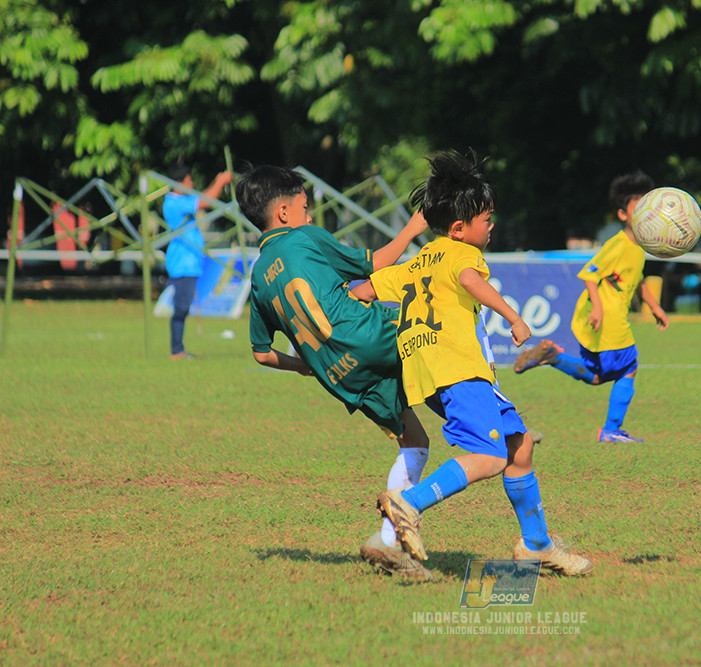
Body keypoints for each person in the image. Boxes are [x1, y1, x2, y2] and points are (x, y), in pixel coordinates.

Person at [351, 151, 593, 576]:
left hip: (434, 374)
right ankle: (409, 503)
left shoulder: (414, 265)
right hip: (459, 371)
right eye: (486, 219)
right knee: (490, 455)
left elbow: (361, 292)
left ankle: (536, 544)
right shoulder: (460, 255)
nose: (492, 225)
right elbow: (469, 280)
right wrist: (514, 316)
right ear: (459, 229)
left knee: (519, 449)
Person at [235, 165, 434, 580]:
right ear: (286, 213)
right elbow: (376, 262)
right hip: (369, 335)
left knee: (414, 441)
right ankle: (496, 424)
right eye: (306, 208)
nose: (310, 217)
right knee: (442, 325)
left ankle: (387, 540)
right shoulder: (303, 237)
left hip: (340, 375)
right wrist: (414, 226)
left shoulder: (257, 277)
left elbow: (260, 353)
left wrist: (306, 367)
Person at [511, 171, 670, 443]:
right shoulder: (618, 245)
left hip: (598, 320)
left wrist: (654, 305)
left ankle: (554, 357)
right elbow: (589, 274)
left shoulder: (638, 246)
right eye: (638, 207)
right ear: (622, 214)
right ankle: (611, 430)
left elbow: (637, 278)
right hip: (607, 319)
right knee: (628, 367)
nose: (646, 213)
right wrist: (597, 308)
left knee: (596, 376)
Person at [162, 164, 233, 359]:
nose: (191, 183)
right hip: (182, 265)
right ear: (179, 183)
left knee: (183, 308)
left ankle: (178, 349)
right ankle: (176, 350)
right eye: (189, 180)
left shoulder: (181, 201)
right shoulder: (173, 203)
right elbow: (206, 201)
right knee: (181, 308)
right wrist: (220, 182)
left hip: (190, 264)